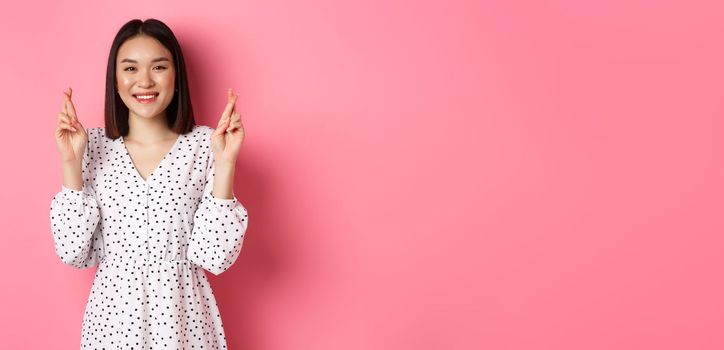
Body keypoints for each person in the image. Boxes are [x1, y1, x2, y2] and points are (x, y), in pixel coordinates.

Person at [50, 18, 249, 349]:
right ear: (114, 79)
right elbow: (72, 251)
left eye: (159, 67)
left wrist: (226, 162)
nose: (144, 81)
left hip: (184, 321)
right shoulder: (92, 146)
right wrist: (71, 162)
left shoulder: (205, 145)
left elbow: (215, 256)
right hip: (112, 324)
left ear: (176, 77)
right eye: (130, 69)